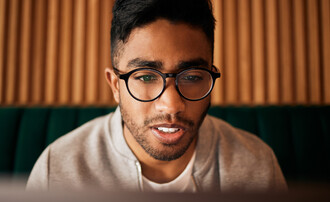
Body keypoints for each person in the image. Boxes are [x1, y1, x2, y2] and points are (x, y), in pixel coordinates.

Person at [27, 0, 287, 192]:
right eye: (146, 77)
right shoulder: (58, 170)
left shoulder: (257, 168)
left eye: (192, 76)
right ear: (115, 85)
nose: (171, 105)